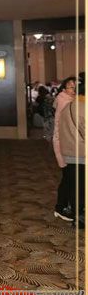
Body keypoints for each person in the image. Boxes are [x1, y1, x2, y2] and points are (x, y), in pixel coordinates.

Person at [58, 72, 85, 229]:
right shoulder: (82, 107)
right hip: (82, 152)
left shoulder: (67, 106)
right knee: (81, 187)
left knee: (76, 186)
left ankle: (76, 216)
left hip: (70, 152)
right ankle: (80, 217)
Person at [53, 76, 76, 221]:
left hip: (66, 143)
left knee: (69, 177)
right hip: (64, 144)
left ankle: (63, 206)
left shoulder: (65, 100)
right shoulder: (65, 103)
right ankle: (60, 207)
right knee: (69, 178)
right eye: (71, 87)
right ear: (64, 89)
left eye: (75, 87)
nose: (74, 90)